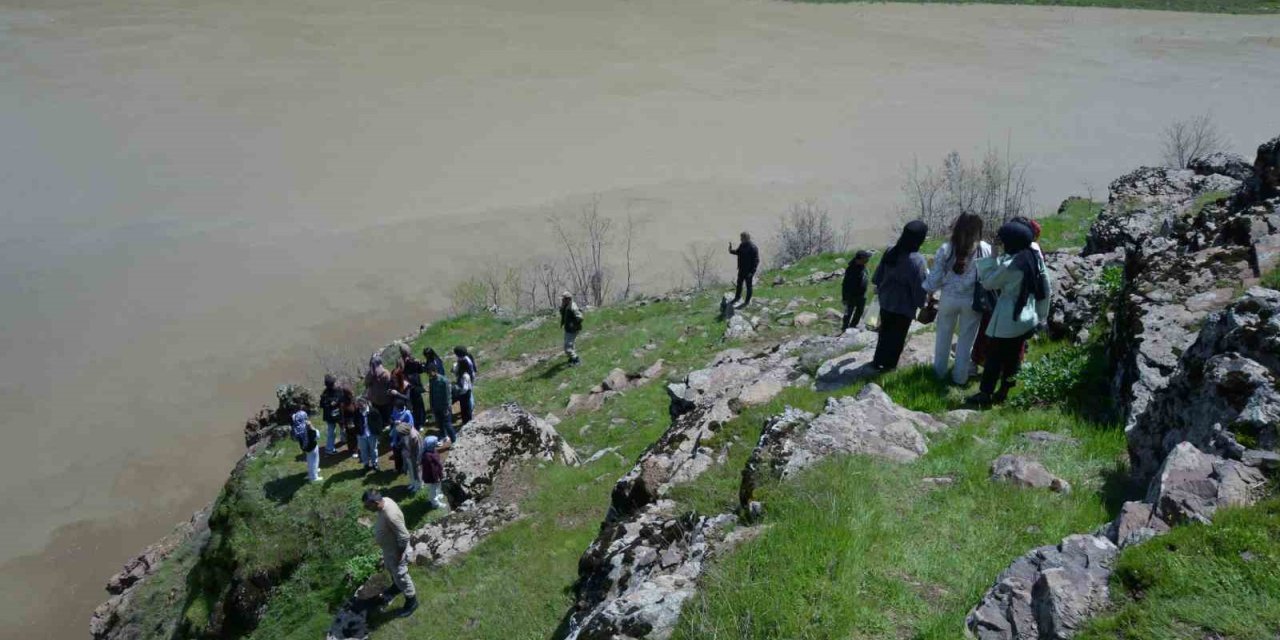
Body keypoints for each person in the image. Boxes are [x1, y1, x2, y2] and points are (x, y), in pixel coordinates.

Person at [967, 220, 1053, 406]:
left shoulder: (1011, 265)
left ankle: (985, 394)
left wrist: (992, 256)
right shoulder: (1032, 257)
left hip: (1009, 317)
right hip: (1027, 315)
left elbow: (989, 283)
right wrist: (1042, 315)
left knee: (994, 358)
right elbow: (1045, 287)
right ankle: (1004, 391)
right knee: (1013, 358)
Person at [923, 213, 992, 384]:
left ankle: (938, 374)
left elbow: (935, 278)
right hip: (972, 301)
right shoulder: (985, 248)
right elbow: (989, 277)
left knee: (943, 337)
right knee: (966, 341)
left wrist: (930, 292)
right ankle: (960, 378)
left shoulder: (946, 248)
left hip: (948, 298)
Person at [871, 221, 929, 370]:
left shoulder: (891, 251)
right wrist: (921, 304)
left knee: (884, 333)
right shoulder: (917, 260)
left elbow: (877, 277)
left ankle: (877, 361)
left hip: (886, 301)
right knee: (897, 338)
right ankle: (889, 367)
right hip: (903, 306)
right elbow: (920, 287)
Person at [361, 490, 418, 618]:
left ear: (375, 503)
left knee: (401, 576)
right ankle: (397, 587)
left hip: (397, 551)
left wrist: (399, 554)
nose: (366, 508)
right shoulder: (385, 500)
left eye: (367, 506)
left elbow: (404, 537)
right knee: (392, 570)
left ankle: (412, 601)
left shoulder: (390, 515)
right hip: (390, 549)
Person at [840, 250, 873, 333]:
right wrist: (844, 297)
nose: (867, 260)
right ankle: (844, 328)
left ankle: (853, 326)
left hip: (862, 295)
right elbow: (845, 284)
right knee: (848, 312)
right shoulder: (851, 269)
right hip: (851, 295)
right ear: (859, 259)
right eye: (865, 259)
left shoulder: (863, 267)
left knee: (859, 311)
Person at [398, 343, 428, 428]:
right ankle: (421, 420)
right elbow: (421, 370)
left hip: (408, 387)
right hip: (415, 385)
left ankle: (417, 421)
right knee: (419, 404)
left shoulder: (401, 362)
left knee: (414, 405)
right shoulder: (413, 360)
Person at [728, 231, 760, 307]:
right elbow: (738, 252)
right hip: (741, 269)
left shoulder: (753, 248)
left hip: (749, 271)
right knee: (739, 284)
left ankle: (747, 302)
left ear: (747, 238)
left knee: (749, 286)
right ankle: (737, 297)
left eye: (742, 238)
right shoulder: (742, 245)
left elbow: (756, 261)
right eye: (741, 238)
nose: (741, 239)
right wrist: (731, 250)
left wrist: (752, 272)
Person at [428, 367, 456, 444]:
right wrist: (431, 406)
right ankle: (444, 436)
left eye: (430, 372)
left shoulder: (444, 380)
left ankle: (454, 440)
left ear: (435, 371)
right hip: (436, 406)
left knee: (447, 424)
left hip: (444, 407)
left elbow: (448, 395)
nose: (429, 374)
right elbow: (431, 394)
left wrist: (447, 407)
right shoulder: (432, 381)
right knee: (439, 423)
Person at [354, 396, 382, 471]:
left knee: (373, 450)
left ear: (366, 403)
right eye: (358, 405)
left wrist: (378, 434)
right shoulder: (357, 412)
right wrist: (358, 433)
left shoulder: (374, 411)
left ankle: (374, 463)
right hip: (362, 435)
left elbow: (379, 424)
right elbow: (355, 423)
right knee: (363, 451)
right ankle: (366, 464)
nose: (360, 407)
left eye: (361, 405)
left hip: (372, 434)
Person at [365, 354, 394, 426]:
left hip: (385, 400)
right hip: (375, 400)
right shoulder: (371, 374)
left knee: (386, 414)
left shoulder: (386, 373)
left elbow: (390, 384)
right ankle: (382, 424)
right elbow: (366, 383)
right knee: (379, 415)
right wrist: (372, 374)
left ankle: (387, 424)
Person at [319, 374, 343, 455]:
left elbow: (321, 405)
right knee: (337, 429)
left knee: (332, 431)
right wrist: (332, 403)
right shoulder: (338, 391)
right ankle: (329, 449)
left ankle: (330, 448)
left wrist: (330, 403)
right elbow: (341, 398)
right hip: (337, 414)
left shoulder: (325, 393)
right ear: (333, 383)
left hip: (330, 415)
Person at [396, 421, 423, 494]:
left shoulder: (414, 436)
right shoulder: (405, 434)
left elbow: (419, 449)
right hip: (408, 455)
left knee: (417, 471)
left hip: (415, 457)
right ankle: (413, 483)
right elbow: (403, 442)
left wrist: (418, 460)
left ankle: (418, 485)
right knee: (411, 470)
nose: (399, 434)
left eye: (400, 433)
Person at [420, 435, 447, 510]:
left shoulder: (431, 451)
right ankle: (435, 503)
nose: (437, 443)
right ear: (431, 445)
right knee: (433, 490)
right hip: (432, 477)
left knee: (437, 487)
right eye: (435, 442)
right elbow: (433, 469)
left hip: (436, 475)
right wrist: (437, 477)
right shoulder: (428, 457)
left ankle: (437, 495)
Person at [295, 411, 322, 483]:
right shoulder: (307, 427)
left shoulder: (298, 427)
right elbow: (317, 436)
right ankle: (313, 477)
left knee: (309, 460)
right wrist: (311, 426)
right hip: (312, 447)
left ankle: (312, 472)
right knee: (314, 461)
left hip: (305, 447)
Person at [389, 398, 414, 474]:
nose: (394, 408)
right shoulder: (394, 410)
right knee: (396, 452)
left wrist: (401, 423)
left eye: (396, 407)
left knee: (405, 453)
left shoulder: (407, 414)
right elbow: (391, 418)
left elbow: (410, 426)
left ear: (400, 407)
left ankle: (406, 468)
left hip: (404, 436)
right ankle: (398, 468)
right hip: (395, 436)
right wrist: (394, 422)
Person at [453, 346, 476, 425]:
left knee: (467, 407)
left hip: (464, 392)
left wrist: (459, 391)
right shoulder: (463, 360)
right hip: (465, 389)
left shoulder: (465, 374)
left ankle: (468, 420)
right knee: (465, 407)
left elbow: (465, 388)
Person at [559, 292, 584, 366]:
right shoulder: (566, 305)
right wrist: (562, 306)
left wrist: (573, 324)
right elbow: (562, 313)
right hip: (568, 329)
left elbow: (580, 317)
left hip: (572, 330)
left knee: (567, 348)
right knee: (569, 344)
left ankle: (576, 360)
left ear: (568, 299)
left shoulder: (572, 307)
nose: (562, 301)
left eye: (563, 299)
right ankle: (572, 358)